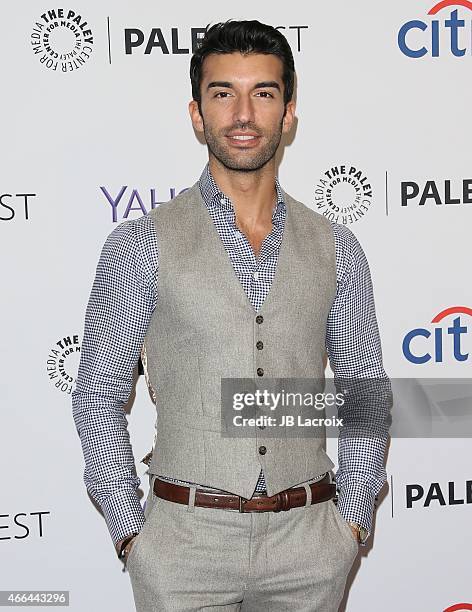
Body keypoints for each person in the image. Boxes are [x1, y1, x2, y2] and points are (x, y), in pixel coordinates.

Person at [72, 19, 391, 612]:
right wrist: (134, 536)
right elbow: (97, 397)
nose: (243, 114)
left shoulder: (336, 246)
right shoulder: (142, 243)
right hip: (182, 547)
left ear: (288, 112)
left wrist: (350, 527)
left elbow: (365, 394)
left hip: (309, 546)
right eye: (223, 93)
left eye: (263, 93)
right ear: (197, 113)